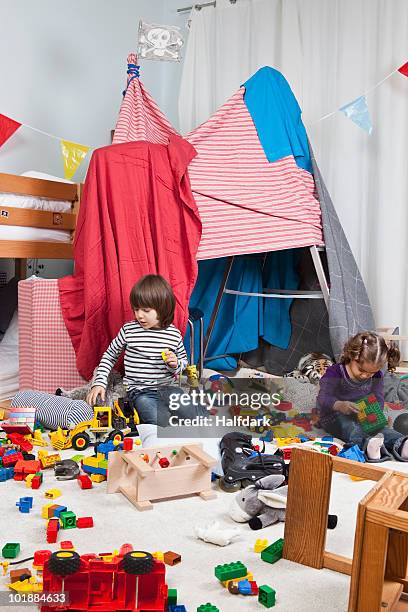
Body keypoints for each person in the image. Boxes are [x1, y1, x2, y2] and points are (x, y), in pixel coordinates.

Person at [87, 274, 208, 427]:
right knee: (159, 421)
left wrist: (175, 364)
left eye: (145, 310)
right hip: (140, 392)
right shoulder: (129, 330)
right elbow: (110, 356)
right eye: (136, 309)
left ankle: (199, 410)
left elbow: (184, 362)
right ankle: (161, 416)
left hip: (167, 389)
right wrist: (99, 382)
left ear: (162, 309)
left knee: (192, 414)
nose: (139, 315)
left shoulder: (173, 334)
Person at [317, 331, 407, 461]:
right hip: (334, 415)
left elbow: (378, 397)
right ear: (352, 356)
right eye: (362, 370)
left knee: (381, 429)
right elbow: (323, 397)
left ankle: (402, 444)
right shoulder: (336, 372)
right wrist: (340, 405)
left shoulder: (377, 375)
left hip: (363, 413)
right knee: (350, 428)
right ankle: (368, 445)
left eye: (371, 373)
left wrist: (378, 413)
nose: (365, 376)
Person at [0, 391, 93, 430]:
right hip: (77, 413)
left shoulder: (81, 412)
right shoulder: (84, 411)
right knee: (17, 411)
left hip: (74, 414)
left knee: (16, 411)